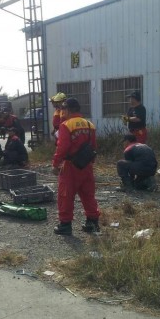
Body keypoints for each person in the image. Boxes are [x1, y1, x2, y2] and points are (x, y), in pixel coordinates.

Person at [52, 97, 100, 235]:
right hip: (86, 165)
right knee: (88, 194)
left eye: (63, 109)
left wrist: (55, 164)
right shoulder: (89, 124)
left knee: (65, 195)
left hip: (71, 166)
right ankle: (92, 222)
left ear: (68, 109)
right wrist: (91, 161)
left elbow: (62, 147)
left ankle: (65, 225)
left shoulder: (66, 125)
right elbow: (94, 146)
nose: (62, 112)